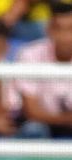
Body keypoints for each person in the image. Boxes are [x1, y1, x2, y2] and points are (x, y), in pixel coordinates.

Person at [15, 0, 72, 138]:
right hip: (42, 123)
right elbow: (31, 111)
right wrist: (66, 119)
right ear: (48, 29)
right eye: (59, 28)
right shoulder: (29, 54)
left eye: (71, 29)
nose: (65, 36)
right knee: (32, 130)